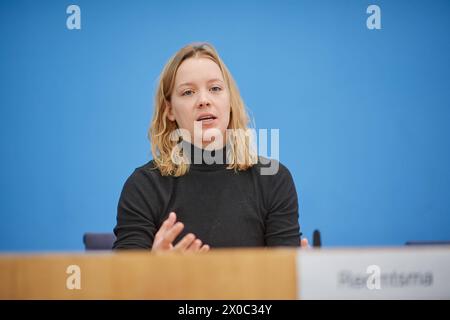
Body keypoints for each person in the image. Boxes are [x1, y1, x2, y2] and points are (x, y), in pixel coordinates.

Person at [113, 42, 307, 251]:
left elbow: (284, 278)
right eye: (188, 92)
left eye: (215, 88)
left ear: (230, 101)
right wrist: (155, 268)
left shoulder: (273, 180)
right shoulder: (143, 187)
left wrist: (299, 270)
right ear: (169, 110)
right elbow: (123, 278)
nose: (204, 100)